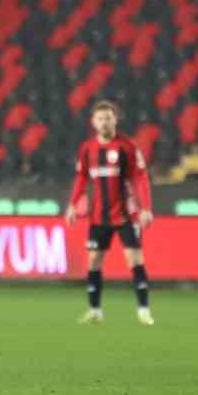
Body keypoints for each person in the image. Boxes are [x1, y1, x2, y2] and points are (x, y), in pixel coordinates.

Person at [61, 100, 155, 326]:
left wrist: (146, 209)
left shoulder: (127, 147)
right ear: (93, 122)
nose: (104, 122)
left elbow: (140, 177)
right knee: (93, 261)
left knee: (134, 260)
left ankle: (143, 310)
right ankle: (95, 310)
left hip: (126, 214)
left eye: (108, 118)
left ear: (116, 120)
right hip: (99, 216)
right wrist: (73, 204)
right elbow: (82, 177)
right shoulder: (87, 148)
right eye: (100, 118)